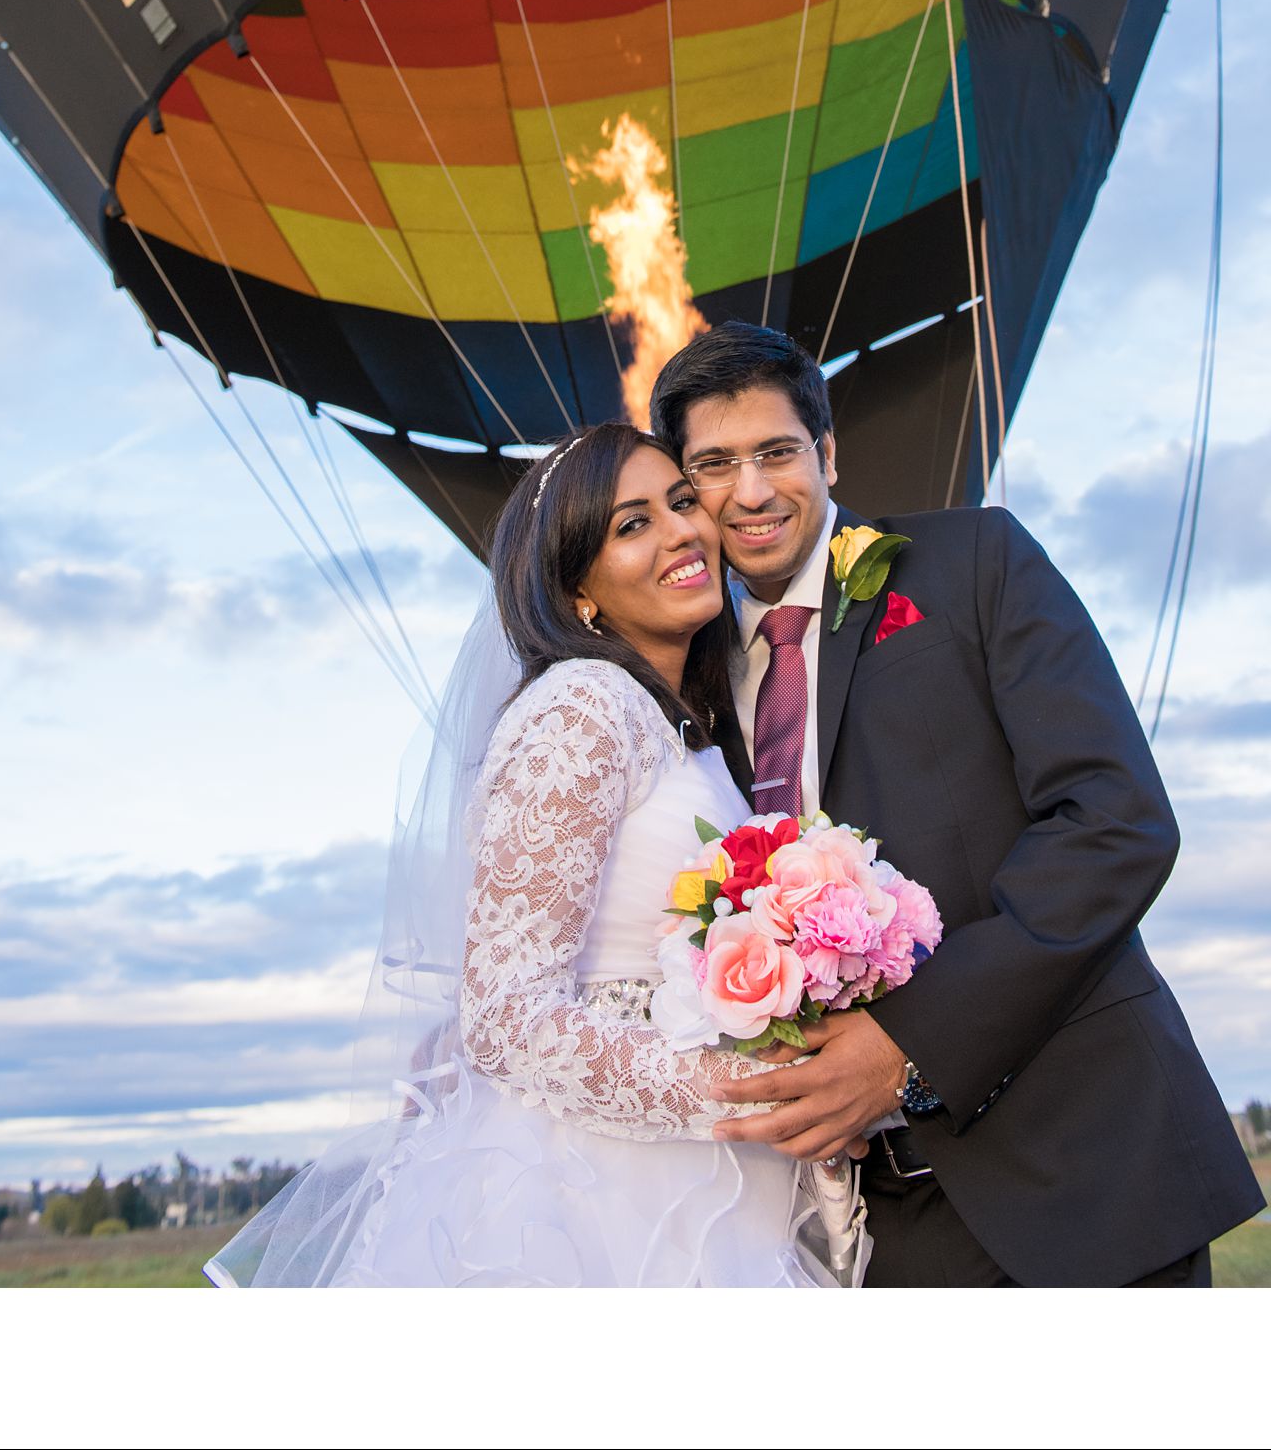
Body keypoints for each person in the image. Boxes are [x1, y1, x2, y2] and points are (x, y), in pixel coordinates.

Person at [647, 321, 1267, 1288]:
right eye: (715, 466)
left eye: (777, 452)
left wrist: (909, 1046)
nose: (752, 491)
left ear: (829, 452)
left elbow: (1115, 820)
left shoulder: (974, 561)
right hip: (868, 1219)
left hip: (1081, 1165)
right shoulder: (685, 681)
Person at [204, 420, 859, 1288]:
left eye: (677, 502)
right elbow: (508, 1017)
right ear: (577, 590)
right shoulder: (581, 708)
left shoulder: (676, 727)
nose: (681, 532)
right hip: (592, 1198)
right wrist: (747, 1095)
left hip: (700, 1178)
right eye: (631, 526)